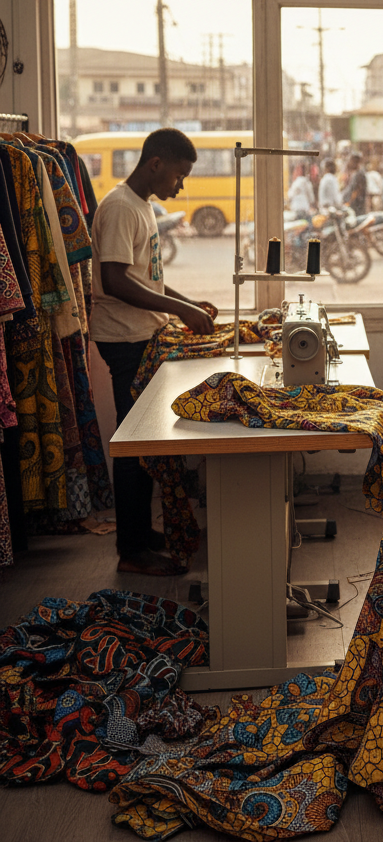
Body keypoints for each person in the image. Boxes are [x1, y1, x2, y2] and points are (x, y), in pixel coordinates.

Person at [91, 128, 217, 576]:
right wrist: (180, 308)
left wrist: (186, 303)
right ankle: (132, 551)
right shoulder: (122, 207)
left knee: (145, 443)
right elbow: (115, 281)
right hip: (125, 341)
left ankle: (141, 534)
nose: (180, 186)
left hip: (141, 334)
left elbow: (146, 279)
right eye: (180, 176)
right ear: (156, 164)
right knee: (135, 445)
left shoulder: (142, 206)